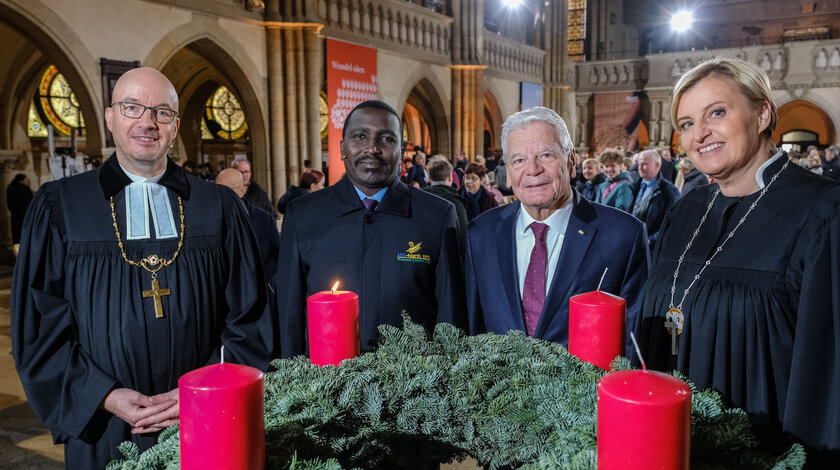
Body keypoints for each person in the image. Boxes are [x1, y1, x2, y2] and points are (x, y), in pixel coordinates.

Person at [11, 67, 273, 470]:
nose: (147, 122)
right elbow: (39, 325)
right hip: (103, 423)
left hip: (205, 415)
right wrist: (104, 395)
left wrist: (201, 389)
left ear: (175, 126)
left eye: (162, 112)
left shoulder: (218, 206)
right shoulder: (59, 206)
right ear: (110, 117)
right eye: (132, 107)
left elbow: (251, 315)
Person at [634, 57, 840, 466]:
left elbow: (826, 372)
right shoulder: (687, 209)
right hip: (667, 442)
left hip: (761, 450)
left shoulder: (822, 212)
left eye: (717, 112)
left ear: (762, 113)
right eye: (687, 123)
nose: (700, 134)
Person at [275, 100, 467, 358]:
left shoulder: (438, 215)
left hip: (415, 387)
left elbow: (451, 318)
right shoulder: (303, 215)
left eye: (386, 139)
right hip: (322, 387)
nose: (372, 148)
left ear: (402, 150)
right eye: (359, 136)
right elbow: (290, 317)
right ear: (342, 148)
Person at [466, 106, 649, 354]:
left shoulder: (624, 236)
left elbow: (633, 344)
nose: (532, 170)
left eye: (546, 155)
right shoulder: (480, 234)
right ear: (507, 174)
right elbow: (473, 332)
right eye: (518, 160)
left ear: (571, 162)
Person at [216, 168, 281, 284]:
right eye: (216, 190)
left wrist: (258, 276)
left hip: (259, 288)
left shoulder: (264, 219)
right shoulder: (211, 220)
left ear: (241, 191)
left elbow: (278, 255)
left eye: (225, 190)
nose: (219, 195)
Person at [630, 149, 680, 246]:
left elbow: (672, 223)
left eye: (644, 164)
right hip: (632, 242)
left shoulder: (669, 191)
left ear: (657, 165)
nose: (640, 167)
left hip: (651, 248)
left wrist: (650, 240)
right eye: (638, 163)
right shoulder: (634, 186)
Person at [423, 156, 468, 255]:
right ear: (450, 177)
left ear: (429, 178)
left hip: (420, 257)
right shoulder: (456, 203)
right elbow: (463, 239)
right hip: (447, 259)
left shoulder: (418, 198)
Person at [6, 173, 34, 254]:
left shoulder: (10, 188)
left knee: (18, 238)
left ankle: (19, 257)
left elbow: (9, 205)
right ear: (21, 180)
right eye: (26, 180)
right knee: (27, 236)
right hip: (25, 217)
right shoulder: (24, 189)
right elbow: (30, 204)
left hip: (15, 217)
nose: (28, 181)